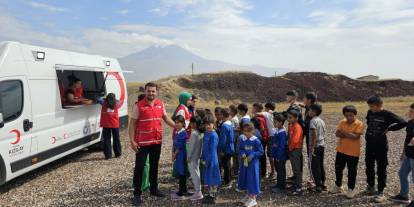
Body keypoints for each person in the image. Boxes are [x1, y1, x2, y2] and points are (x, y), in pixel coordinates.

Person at [129, 82, 175, 205]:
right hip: (142, 143)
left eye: (153, 91)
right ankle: (137, 194)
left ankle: (154, 189)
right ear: (145, 91)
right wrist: (132, 141)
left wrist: (176, 127)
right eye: (149, 91)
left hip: (156, 141)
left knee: (154, 166)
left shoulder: (160, 104)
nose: (151, 93)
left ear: (156, 92)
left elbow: (165, 118)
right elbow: (132, 124)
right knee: (139, 168)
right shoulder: (138, 105)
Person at [364, 95, 407, 203]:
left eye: (372, 106)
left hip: (381, 145)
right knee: (369, 165)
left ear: (380, 105)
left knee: (381, 167)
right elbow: (369, 121)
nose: (370, 108)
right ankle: (371, 186)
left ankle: (381, 191)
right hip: (369, 144)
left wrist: (389, 128)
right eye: (369, 106)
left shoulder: (387, 114)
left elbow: (402, 122)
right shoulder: (370, 113)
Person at [333, 105, 364, 199]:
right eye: (346, 115)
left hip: (353, 152)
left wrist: (344, 132)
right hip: (341, 150)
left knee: (351, 171)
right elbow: (337, 134)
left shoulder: (359, 124)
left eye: (351, 115)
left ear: (355, 114)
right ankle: (338, 185)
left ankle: (351, 189)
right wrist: (349, 134)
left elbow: (356, 137)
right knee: (338, 169)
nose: (349, 117)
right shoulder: (342, 122)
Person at [390, 103, 414, 205]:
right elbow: (407, 139)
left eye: (412, 111)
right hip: (409, 154)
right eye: (410, 110)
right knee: (402, 173)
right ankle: (404, 196)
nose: (410, 113)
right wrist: (403, 152)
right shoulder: (410, 123)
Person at [237, 122, 264, 207]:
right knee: (246, 178)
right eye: (244, 131)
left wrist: (252, 155)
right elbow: (240, 149)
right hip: (244, 163)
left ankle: (253, 199)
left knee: (252, 179)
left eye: (248, 131)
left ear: (252, 131)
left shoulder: (256, 140)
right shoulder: (242, 139)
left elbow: (261, 151)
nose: (246, 133)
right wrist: (242, 154)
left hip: (253, 164)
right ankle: (249, 195)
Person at [201, 115, 221, 204]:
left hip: (212, 159)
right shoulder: (206, 133)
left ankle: (213, 195)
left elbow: (212, 150)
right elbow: (204, 147)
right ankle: (210, 194)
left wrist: (208, 161)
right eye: (206, 124)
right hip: (206, 158)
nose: (208, 126)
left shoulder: (214, 135)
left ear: (213, 124)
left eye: (210, 124)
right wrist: (203, 157)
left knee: (213, 177)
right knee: (208, 177)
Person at [308, 103, 327, 193]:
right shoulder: (321, 121)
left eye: (310, 110)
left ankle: (317, 185)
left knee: (315, 166)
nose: (308, 112)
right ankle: (323, 183)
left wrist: (312, 147)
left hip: (315, 146)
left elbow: (314, 134)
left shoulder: (313, 121)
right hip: (322, 145)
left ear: (314, 112)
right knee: (320, 164)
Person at [97, 93, 121, 160]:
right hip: (115, 124)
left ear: (107, 98)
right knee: (116, 139)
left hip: (106, 125)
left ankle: (108, 156)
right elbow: (118, 100)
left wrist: (104, 98)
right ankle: (118, 154)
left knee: (107, 140)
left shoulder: (103, 103)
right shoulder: (117, 104)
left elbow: (98, 98)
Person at [171, 115, 189, 200]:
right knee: (180, 171)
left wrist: (174, 155)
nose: (177, 124)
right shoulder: (177, 132)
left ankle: (181, 191)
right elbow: (174, 144)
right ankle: (184, 189)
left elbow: (180, 146)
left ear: (183, 123)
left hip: (181, 155)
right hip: (177, 155)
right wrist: (173, 153)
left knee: (182, 172)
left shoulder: (183, 132)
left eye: (179, 122)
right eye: (176, 122)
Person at [286, 110, 304, 196]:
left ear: (296, 118)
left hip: (295, 150)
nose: (288, 119)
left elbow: (295, 140)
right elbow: (289, 137)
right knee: (294, 168)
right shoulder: (290, 125)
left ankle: (299, 188)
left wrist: (290, 148)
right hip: (291, 149)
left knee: (297, 169)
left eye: (290, 118)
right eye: (288, 117)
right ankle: (296, 185)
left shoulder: (297, 127)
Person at [187, 116, 205, 201]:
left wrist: (188, 157)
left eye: (191, 123)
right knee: (197, 173)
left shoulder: (194, 133)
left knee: (194, 175)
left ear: (194, 123)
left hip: (192, 157)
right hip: (197, 156)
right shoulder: (201, 132)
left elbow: (191, 147)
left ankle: (198, 192)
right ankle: (197, 190)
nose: (190, 124)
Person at [271, 113, 288, 193]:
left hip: (280, 156)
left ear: (281, 122)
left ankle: (281, 186)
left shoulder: (282, 133)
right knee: (278, 169)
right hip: (276, 154)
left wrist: (278, 156)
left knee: (281, 170)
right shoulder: (278, 130)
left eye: (275, 122)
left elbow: (281, 146)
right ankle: (278, 184)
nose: (274, 124)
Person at [218, 108, 235, 189]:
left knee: (226, 165)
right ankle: (228, 181)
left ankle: (227, 182)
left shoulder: (224, 125)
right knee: (228, 164)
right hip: (231, 147)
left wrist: (221, 150)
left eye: (220, 114)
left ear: (222, 115)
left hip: (225, 149)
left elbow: (223, 140)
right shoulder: (230, 124)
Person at [252, 103, 269, 178]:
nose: (252, 109)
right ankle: (263, 172)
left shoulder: (258, 118)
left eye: (253, 108)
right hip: (263, 138)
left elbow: (261, 129)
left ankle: (261, 173)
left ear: (256, 109)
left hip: (260, 139)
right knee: (262, 155)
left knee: (260, 155)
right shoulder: (262, 117)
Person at [263, 102, 276, 179]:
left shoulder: (267, 114)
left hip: (271, 136)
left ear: (268, 108)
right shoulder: (274, 114)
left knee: (271, 155)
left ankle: (273, 172)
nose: (265, 109)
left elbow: (258, 113)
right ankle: (273, 171)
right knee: (272, 154)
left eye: (265, 108)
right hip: (274, 135)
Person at [303, 92, 317, 157]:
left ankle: (312, 166)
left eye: (305, 98)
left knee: (311, 152)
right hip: (308, 133)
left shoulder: (312, 111)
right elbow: (305, 106)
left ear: (309, 100)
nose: (303, 99)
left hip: (311, 135)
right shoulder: (308, 107)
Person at [230, 104, 240, 176]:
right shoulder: (235, 118)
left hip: (235, 138)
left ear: (233, 112)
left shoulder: (234, 119)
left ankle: (235, 170)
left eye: (230, 110)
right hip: (235, 138)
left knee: (235, 155)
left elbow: (235, 129)